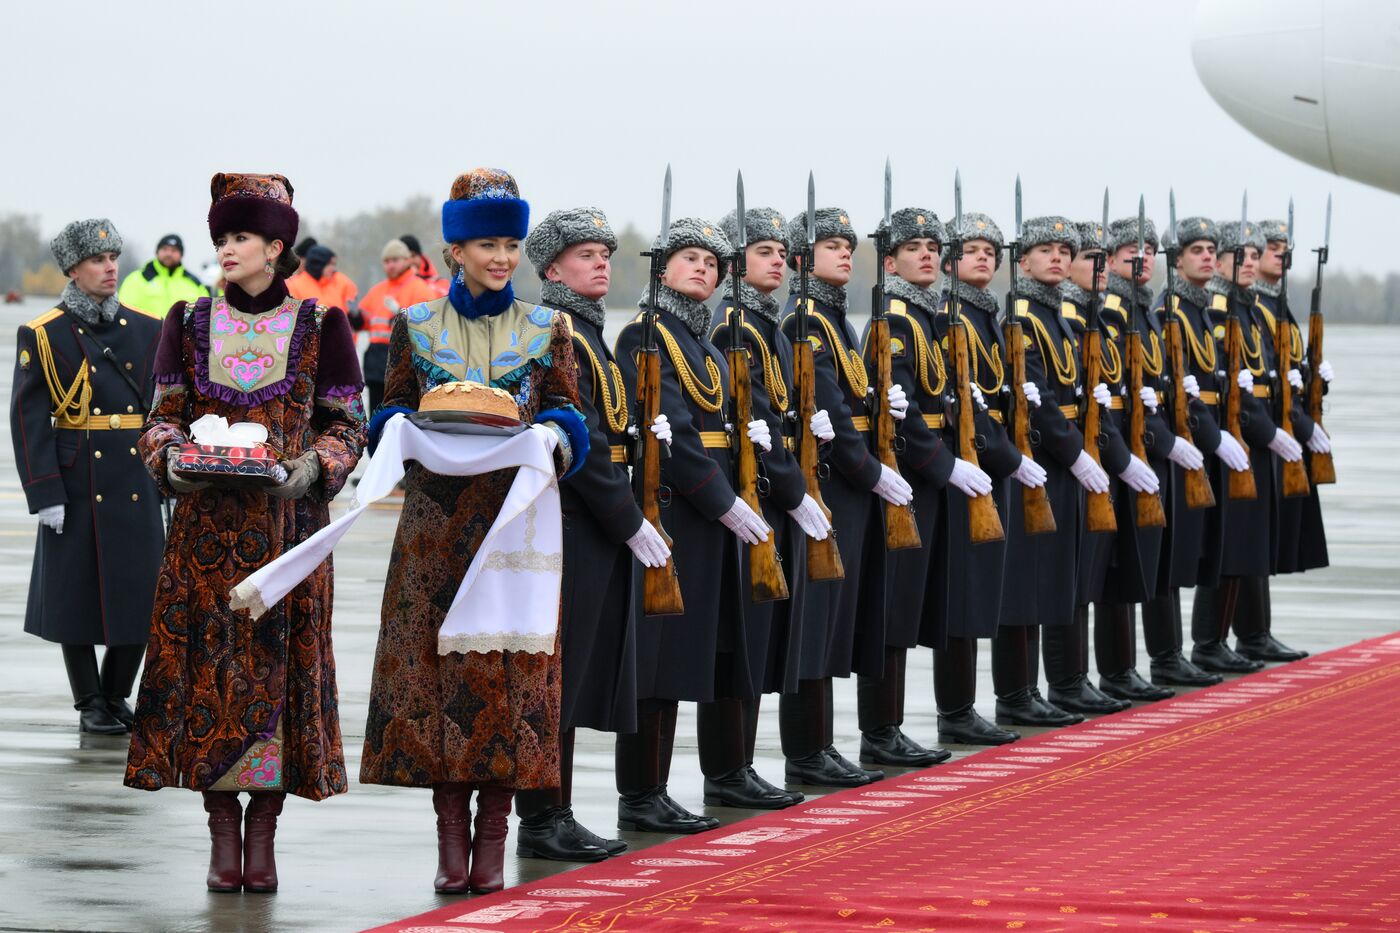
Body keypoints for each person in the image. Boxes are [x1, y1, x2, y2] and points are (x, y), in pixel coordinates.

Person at [124, 173, 368, 894]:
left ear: (276, 245)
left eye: (240, 237)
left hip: (288, 536)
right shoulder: (188, 320)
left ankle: (262, 834)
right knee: (212, 678)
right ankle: (220, 833)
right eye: (221, 237)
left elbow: (349, 423)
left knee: (273, 682)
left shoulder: (321, 326)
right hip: (204, 535)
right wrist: (171, 459)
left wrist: (314, 469)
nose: (226, 250)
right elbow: (161, 415)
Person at [359, 168, 588, 894]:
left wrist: (555, 437)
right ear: (455, 248)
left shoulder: (550, 326)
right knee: (436, 685)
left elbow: (569, 412)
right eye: (487, 243)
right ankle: (448, 839)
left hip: (516, 527)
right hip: (434, 529)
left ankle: (494, 837)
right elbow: (389, 407)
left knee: (510, 685)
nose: (501, 257)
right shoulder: (416, 325)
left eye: (511, 244)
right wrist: (394, 429)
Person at [613, 217, 774, 830]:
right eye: (689, 258)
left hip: (717, 512)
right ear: (662, 271)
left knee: (713, 647)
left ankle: (723, 772)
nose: (703, 268)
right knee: (660, 659)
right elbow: (672, 431)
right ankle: (642, 792)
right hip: (681, 510)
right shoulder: (646, 335)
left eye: (712, 261)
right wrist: (722, 500)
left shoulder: (702, 338)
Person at [516, 206, 650, 861]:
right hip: (566, 521)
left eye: (605, 252)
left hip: (590, 524)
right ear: (551, 267)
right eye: (585, 252)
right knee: (554, 677)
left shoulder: (589, 332)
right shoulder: (553, 332)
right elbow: (585, 442)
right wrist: (628, 519)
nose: (601, 261)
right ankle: (542, 817)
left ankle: (558, 808)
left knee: (569, 675)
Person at [10, 218, 163, 735]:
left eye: (114, 257)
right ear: (73, 269)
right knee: (74, 594)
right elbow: (29, 419)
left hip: (136, 473)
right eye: (98, 260)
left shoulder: (147, 328)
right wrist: (44, 491)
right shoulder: (44, 333)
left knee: (143, 590)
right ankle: (90, 701)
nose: (110, 267)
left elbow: (165, 408)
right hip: (76, 478)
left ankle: (117, 692)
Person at [779, 207, 908, 787]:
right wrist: (870, 470)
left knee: (837, 619)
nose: (845, 254)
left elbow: (853, 397)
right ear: (803, 259)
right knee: (815, 622)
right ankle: (807, 750)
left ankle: (825, 744)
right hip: (831, 481)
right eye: (832, 245)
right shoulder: (806, 319)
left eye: (848, 246)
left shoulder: (836, 318)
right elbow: (827, 405)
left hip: (850, 484)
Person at [858, 208, 990, 765]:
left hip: (929, 476)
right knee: (891, 607)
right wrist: (944, 465)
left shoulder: (927, 316)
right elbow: (902, 416)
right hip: (907, 476)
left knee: (915, 604)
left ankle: (897, 725)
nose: (929, 255)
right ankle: (880, 731)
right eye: (915, 247)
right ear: (890, 261)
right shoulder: (893, 320)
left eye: (934, 246)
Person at [712, 204, 833, 804]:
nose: (779, 261)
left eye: (782, 252)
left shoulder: (769, 327)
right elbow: (754, 418)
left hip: (777, 494)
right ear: (737, 264)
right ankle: (729, 770)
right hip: (757, 497)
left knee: (770, 633)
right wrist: (794, 492)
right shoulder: (736, 327)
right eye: (764, 251)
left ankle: (747, 764)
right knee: (747, 636)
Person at [926, 212, 1033, 746]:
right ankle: (956, 709)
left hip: (990, 460)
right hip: (969, 464)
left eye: (992, 251)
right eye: (973, 251)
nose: (985, 258)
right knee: (963, 592)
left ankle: (986, 700)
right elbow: (958, 404)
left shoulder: (987, 314)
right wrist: (1004, 456)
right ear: (951, 261)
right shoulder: (949, 316)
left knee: (985, 587)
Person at [998, 216, 1107, 728]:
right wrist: (1073, 453)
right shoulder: (1023, 315)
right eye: (1046, 250)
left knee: (1059, 572)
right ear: (1024, 261)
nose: (1058, 258)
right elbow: (1034, 400)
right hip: (1038, 459)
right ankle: (1017, 694)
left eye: (1066, 250)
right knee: (1028, 578)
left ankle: (1060, 682)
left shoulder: (1056, 313)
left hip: (1060, 460)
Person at [1191, 220, 1304, 673]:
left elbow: (1264, 373)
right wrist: (1265, 430)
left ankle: (1253, 633)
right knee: (1231, 541)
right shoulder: (1220, 307)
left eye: (1257, 256)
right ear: (1220, 262)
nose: (1252, 264)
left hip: (1254, 433)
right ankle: (1211, 640)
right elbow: (1227, 384)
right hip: (1235, 433)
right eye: (1244, 256)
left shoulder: (1249, 306)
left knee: (1251, 538)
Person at [1091, 216, 1189, 704]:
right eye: (1131, 248)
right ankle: (1116, 670)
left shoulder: (1144, 310)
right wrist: (1134, 452)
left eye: (1149, 248)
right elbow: (1115, 395)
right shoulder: (1111, 313)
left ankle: (1155, 658)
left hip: (1149, 443)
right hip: (1124, 447)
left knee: (1150, 555)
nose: (1143, 256)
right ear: (1109, 260)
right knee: (1121, 564)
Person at [1144, 217, 1237, 687]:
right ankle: (1166, 655)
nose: (1207, 257)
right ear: (1175, 260)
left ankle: (1197, 646)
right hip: (1181, 441)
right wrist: (1199, 436)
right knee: (1171, 553)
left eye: (1210, 250)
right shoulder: (1169, 311)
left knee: (1197, 547)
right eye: (1195, 249)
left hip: (1203, 439)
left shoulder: (1198, 309)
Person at [1054, 222, 1138, 715]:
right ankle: (1067, 680)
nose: (1100, 270)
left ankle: (1086, 677)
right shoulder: (1064, 317)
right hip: (1069, 459)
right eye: (1092, 260)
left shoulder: (1090, 318)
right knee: (1071, 572)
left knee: (1093, 568)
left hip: (1100, 454)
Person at [1246, 218, 1328, 661]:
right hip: (1262, 426)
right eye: (1269, 248)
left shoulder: (1279, 305)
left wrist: (1316, 382)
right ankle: (1244, 635)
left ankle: (1258, 631)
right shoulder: (1252, 306)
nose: (1279, 254)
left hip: (1281, 423)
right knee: (1247, 540)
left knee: (1262, 538)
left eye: (1282, 248)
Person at [357, 239, 438, 414]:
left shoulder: (421, 289)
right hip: (376, 363)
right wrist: (353, 317)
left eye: (395, 260)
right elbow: (363, 320)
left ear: (408, 260)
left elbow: (431, 330)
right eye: (386, 261)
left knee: (403, 416)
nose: (390, 265)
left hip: (406, 363)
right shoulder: (377, 290)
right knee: (377, 416)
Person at [117, 233, 209, 317]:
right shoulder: (136, 280)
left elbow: (205, 315)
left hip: (183, 335)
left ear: (181, 254)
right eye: (165, 249)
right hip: (147, 334)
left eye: (174, 250)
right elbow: (124, 312)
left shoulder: (195, 284)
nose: (169, 254)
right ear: (157, 252)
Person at [287, 243, 358, 315]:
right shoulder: (294, 286)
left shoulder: (333, 284)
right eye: (330, 264)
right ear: (319, 264)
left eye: (334, 264)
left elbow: (347, 313)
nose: (333, 269)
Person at [402, 233, 451, 297]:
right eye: (405, 258)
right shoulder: (389, 288)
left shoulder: (441, 283)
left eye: (413, 256)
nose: (410, 261)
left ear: (420, 256)